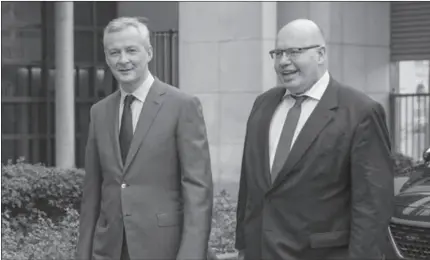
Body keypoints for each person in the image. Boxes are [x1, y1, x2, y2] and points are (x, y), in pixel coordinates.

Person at [235, 19, 394, 260]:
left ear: (320, 54)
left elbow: (372, 206)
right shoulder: (263, 105)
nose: (283, 62)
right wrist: (243, 246)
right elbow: (249, 183)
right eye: (277, 53)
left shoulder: (360, 111)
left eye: (294, 52)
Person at [76, 17, 213, 260]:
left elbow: (197, 190)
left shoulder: (182, 106)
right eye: (114, 52)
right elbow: (93, 193)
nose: (123, 60)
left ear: (149, 53)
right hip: (109, 249)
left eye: (131, 50)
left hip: (163, 249)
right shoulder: (99, 112)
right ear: (107, 59)